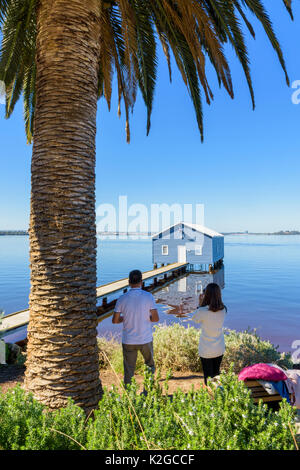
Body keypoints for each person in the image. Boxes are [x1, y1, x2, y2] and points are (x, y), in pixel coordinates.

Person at [112, 269, 159, 386]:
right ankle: (147, 393)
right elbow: (156, 318)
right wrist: (146, 317)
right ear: (141, 282)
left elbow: (115, 320)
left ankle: (130, 394)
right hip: (145, 339)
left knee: (129, 369)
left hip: (128, 340)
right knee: (149, 365)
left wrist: (126, 318)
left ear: (128, 282)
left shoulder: (122, 298)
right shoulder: (148, 297)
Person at [192, 283, 227, 385]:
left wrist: (200, 303)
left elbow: (195, 319)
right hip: (219, 348)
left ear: (206, 295)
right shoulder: (223, 309)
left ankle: (211, 397)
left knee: (208, 377)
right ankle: (218, 396)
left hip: (206, 349)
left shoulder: (202, 311)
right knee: (217, 375)